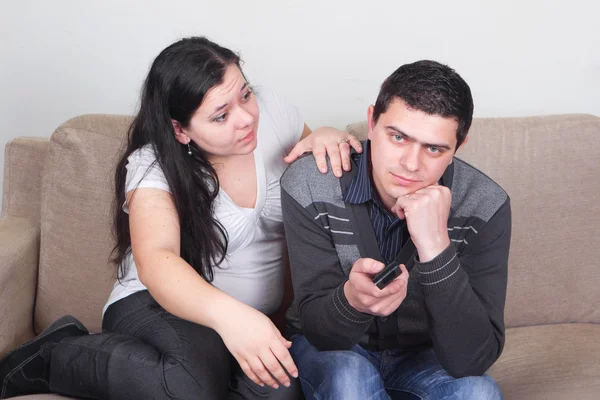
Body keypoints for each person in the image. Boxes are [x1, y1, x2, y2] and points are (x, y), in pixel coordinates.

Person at [0, 36, 361, 399]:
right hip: (154, 304)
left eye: (245, 94)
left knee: (281, 391)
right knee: (190, 387)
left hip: (244, 324)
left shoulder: (274, 114)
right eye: (221, 115)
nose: (246, 117)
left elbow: (314, 156)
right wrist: (235, 318)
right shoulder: (151, 165)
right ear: (180, 130)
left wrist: (328, 136)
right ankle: (55, 354)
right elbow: (157, 261)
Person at [281, 60, 510, 399]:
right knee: (349, 378)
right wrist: (351, 300)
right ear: (372, 122)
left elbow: (472, 360)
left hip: (423, 356)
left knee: (479, 392)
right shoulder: (311, 183)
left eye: (434, 148)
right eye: (399, 137)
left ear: (458, 147)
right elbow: (317, 330)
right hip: (337, 351)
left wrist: (436, 248)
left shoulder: (486, 204)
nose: (411, 164)